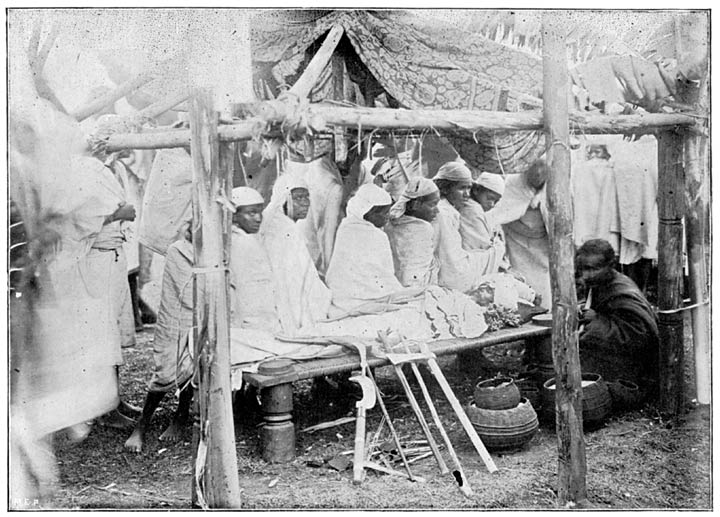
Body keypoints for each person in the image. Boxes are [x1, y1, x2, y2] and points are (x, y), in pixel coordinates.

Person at [575, 239, 659, 398]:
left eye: (592, 269)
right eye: (582, 269)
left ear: (611, 265)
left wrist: (596, 321)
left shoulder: (622, 292)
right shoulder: (600, 282)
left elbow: (640, 337)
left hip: (636, 366)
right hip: (614, 352)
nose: (586, 276)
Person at [259, 173, 331, 336]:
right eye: (298, 198)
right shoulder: (280, 227)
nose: (305, 203)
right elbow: (288, 279)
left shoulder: (283, 223)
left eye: (307, 197)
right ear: (283, 198)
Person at [326, 183, 415, 313]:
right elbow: (381, 275)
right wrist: (396, 291)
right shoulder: (375, 235)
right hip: (364, 296)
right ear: (367, 211)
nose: (387, 217)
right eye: (383, 213)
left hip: (340, 296)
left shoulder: (346, 226)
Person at [488, 158, 551, 309]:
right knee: (521, 286)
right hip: (517, 244)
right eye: (534, 166)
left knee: (546, 287)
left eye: (543, 167)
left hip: (543, 245)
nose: (538, 172)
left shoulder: (557, 183)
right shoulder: (513, 183)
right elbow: (496, 217)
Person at [433, 161, 504, 292]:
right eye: (462, 188)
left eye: (468, 188)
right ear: (445, 188)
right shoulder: (444, 213)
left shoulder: (450, 210)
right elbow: (452, 263)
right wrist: (497, 250)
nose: (466, 194)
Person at [228, 187, 279, 332]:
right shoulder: (242, 243)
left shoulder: (245, 239)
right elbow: (247, 289)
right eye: (251, 213)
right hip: (251, 320)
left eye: (260, 212)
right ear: (234, 216)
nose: (259, 218)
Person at [385, 176, 441, 288]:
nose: (437, 210)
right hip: (416, 292)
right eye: (432, 204)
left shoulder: (391, 224)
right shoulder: (423, 228)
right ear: (416, 205)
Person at [459, 171, 506, 253]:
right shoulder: (472, 209)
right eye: (490, 198)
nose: (492, 204)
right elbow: (483, 245)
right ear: (476, 190)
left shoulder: (473, 207)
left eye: (495, 202)